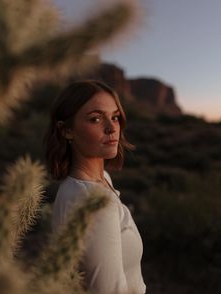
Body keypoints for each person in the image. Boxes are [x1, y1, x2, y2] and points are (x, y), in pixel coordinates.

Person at [45, 80, 146, 294]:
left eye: (115, 117)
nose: (111, 128)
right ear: (67, 131)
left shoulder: (97, 181)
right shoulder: (93, 202)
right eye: (96, 119)